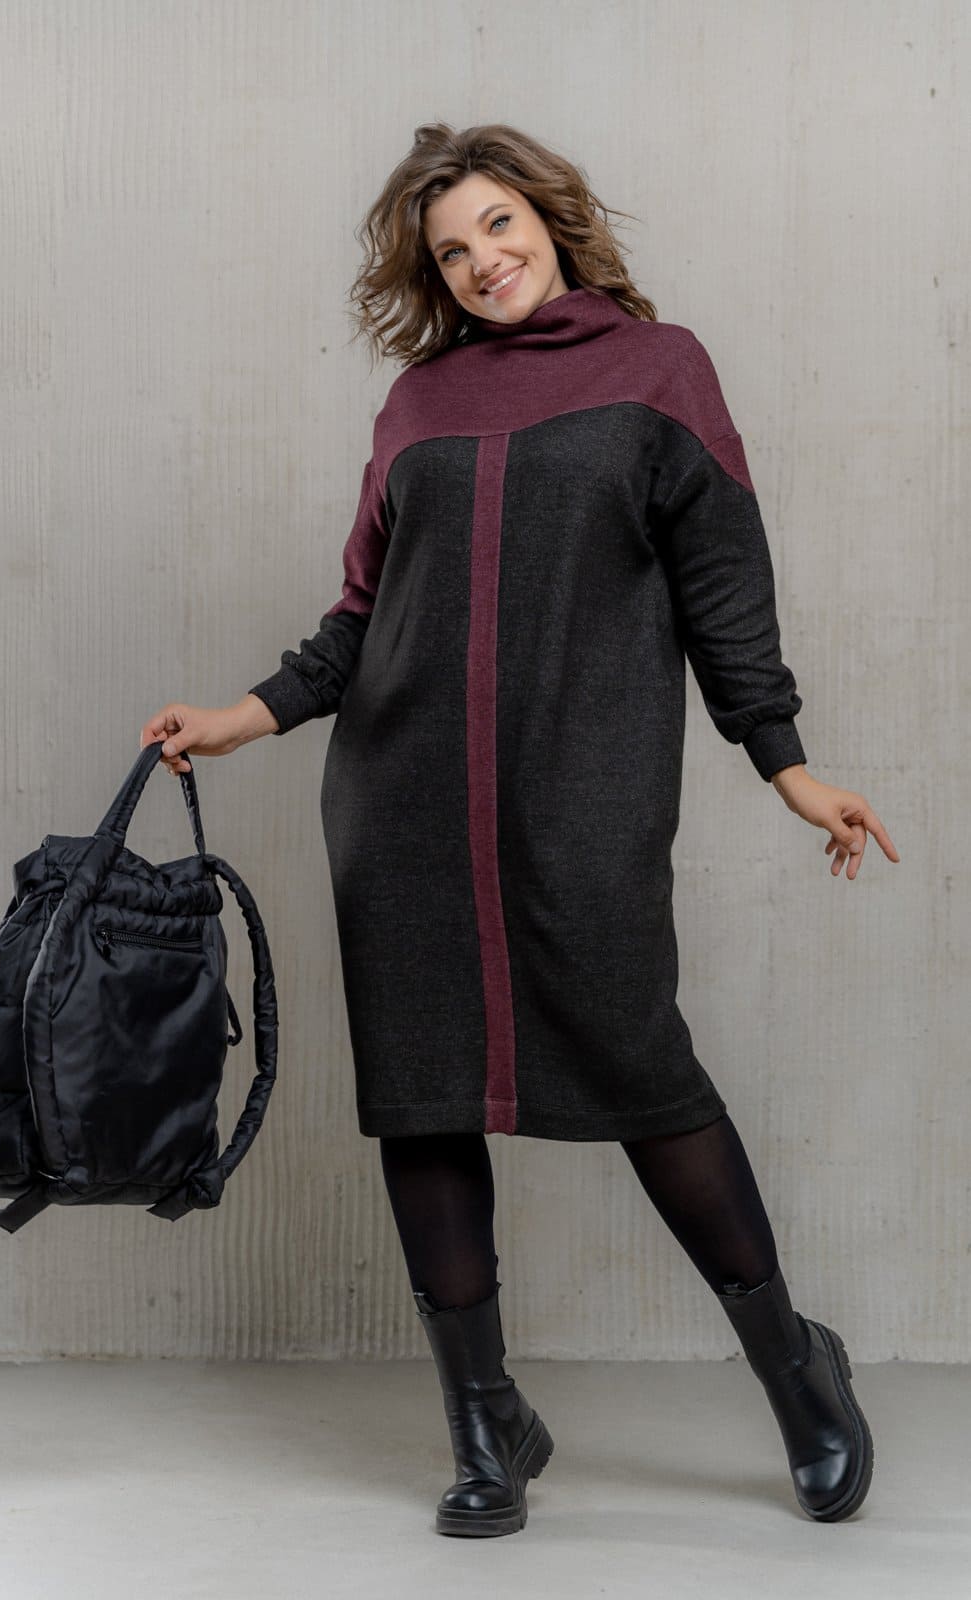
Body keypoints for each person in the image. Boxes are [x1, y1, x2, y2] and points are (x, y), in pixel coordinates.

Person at [140, 122, 900, 1540]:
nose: (482, 261)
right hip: (401, 807)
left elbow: (724, 587)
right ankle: (486, 1425)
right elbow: (362, 618)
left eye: (499, 225)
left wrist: (786, 764)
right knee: (422, 1095)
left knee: (645, 1073)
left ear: (550, 219)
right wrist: (241, 718)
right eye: (451, 251)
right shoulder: (416, 406)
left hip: (582, 799)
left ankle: (796, 1367)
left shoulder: (660, 372)